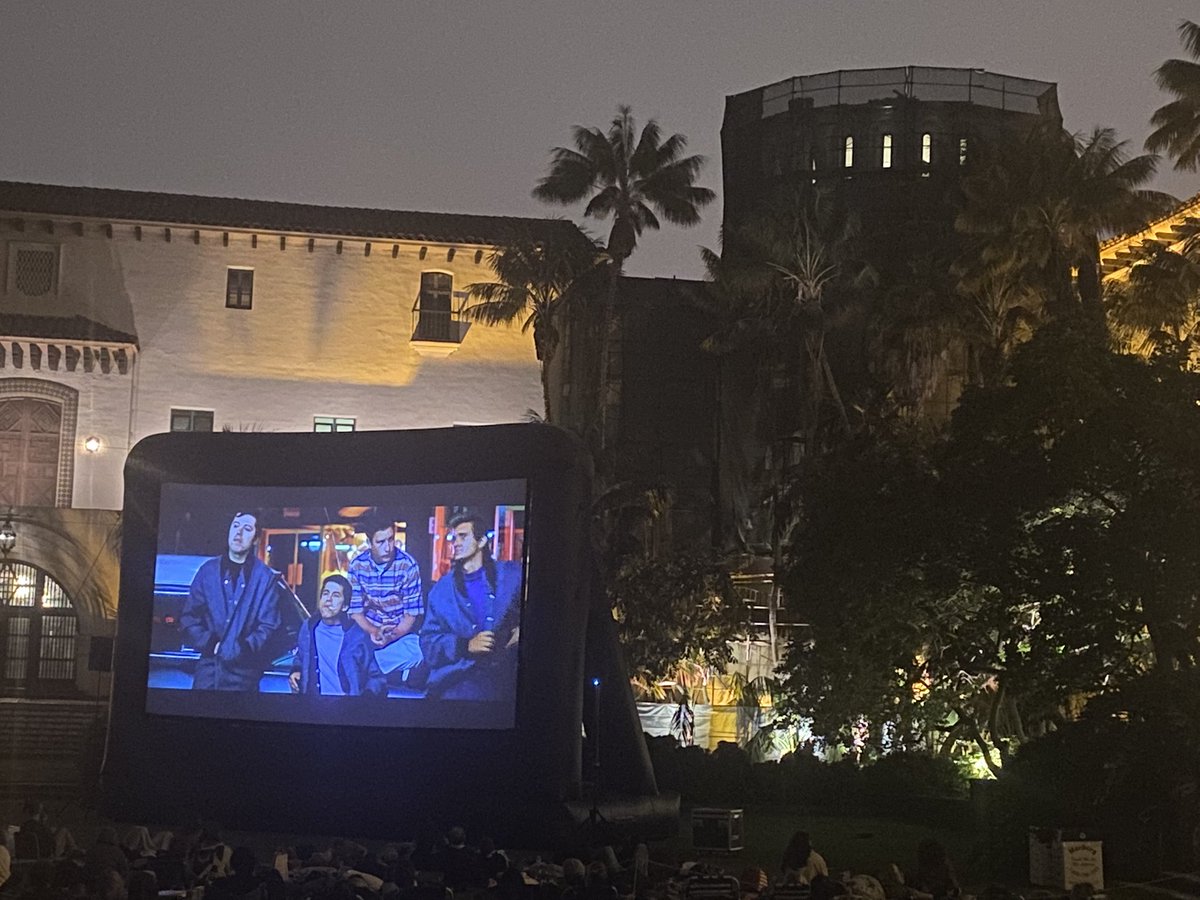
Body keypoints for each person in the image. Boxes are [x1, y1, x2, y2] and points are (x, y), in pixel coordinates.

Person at [419, 513, 523, 700]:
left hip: (507, 677)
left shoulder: (511, 575)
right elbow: (428, 643)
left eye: (463, 536)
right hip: (458, 680)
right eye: (454, 538)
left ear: (482, 541)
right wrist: (464, 646)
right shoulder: (441, 591)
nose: (456, 543)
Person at [180, 511, 284, 691]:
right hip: (207, 675)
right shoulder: (208, 571)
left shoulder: (265, 578)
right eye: (235, 526)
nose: (239, 533)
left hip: (245, 679)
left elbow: (269, 626)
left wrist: (241, 649)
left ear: (255, 538)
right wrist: (211, 643)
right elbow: (189, 618)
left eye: (247, 529)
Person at [346, 512, 425, 686]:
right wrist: (373, 631)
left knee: (421, 649)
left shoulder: (408, 565)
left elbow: (411, 615)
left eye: (390, 539)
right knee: (350, 646)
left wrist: (392, 635)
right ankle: (380, 669)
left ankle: (370, 668)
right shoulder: (357, 565)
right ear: (369, 543)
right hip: (368, 627)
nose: (388, 547)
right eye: (381, 542)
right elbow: (356, 611)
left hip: (400, 631)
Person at [290, 574, 386, 697]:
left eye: (335, 595)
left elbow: (376, 678)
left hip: (347, 710)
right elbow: (300, 657)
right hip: (312, 707)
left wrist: (364, 701)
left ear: (345, 606)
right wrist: (296, 671)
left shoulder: (357, 636)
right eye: (325, 593)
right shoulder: (308, 628)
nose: (328, 599)